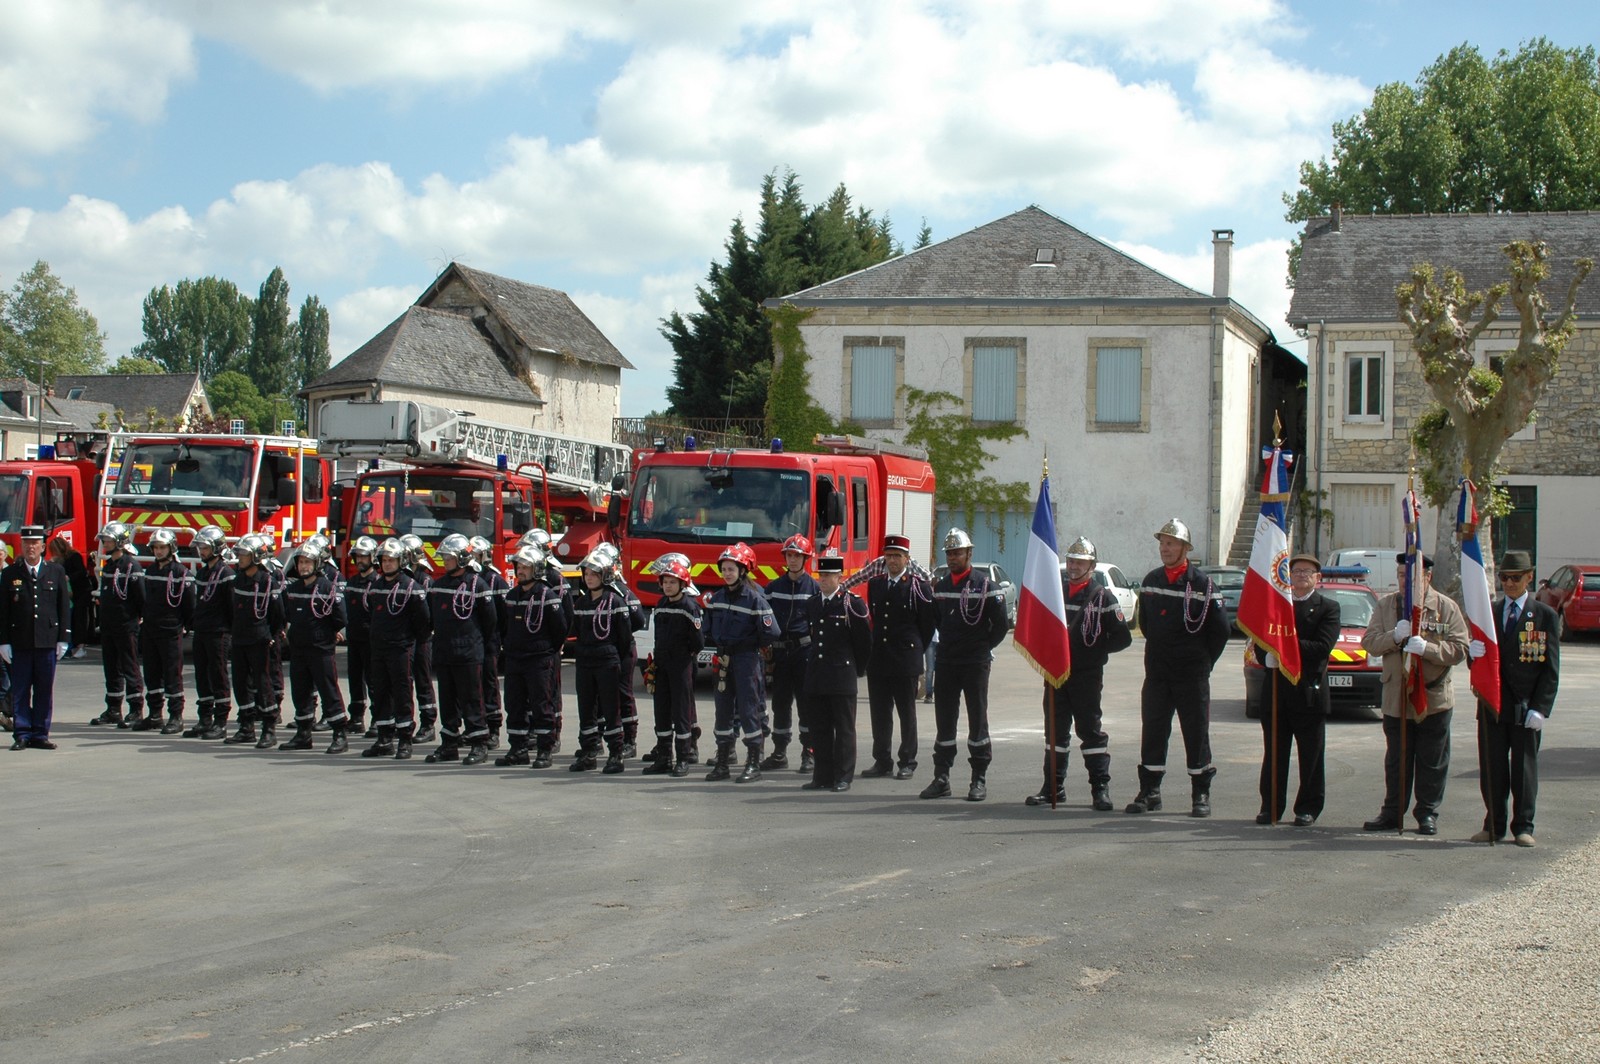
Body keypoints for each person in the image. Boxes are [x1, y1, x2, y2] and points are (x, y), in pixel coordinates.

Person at [1359, 552, 1470, 836]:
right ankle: (1392, 812)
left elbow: (1460, 649)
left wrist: (1428, 649)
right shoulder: (1386, 606)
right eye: (1400, 576)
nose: (1404, 582)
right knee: (1397, 759)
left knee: (1432, 760)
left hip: (1433, 699)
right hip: (1397, 697)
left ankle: (1427, 813)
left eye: (1411, 576)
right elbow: (1369, 643)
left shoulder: (1445, 607)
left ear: (1427, 577)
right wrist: (1394, 637)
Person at [1127, 519, 1232, 817]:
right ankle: (1150, 791)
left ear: (1185, 548)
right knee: (1154, 730)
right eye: (1162, 543)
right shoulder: (1151, 581)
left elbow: (1220, 631)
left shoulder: (1203, 585)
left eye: (1171, 544)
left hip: (1192, 673)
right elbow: (1146, 625)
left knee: (1196, 732)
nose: (1165, 548)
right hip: (1158, 672)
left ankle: (1200, 794)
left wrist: (1203, 662)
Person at [1029, 536, 1132, 811]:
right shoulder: (1055, 593)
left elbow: (1123, 638)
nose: (1074, 566)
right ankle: (1052, 787)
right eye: (1071, 561)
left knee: (1090, 731)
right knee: (1054, 734)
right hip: (1056, 675)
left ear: (1092, 565)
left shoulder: (1103, 597)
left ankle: (1100, 789)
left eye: (1080, 562)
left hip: (1086, 677)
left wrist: (1095, 653)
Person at [1472, 550, 1559, 847]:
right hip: (1494, 705)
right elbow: (1482, 663)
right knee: (1493, 768)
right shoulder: (1490, 614)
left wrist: (1541, 708)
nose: (1509, 583)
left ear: (1529, 577)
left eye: (1516, 578)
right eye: (1505, 577)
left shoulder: (1545, 616)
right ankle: (1493, 824)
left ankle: (1523, 825)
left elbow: (1550, 669)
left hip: (1526, 705)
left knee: (1523, 769)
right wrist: (1474, 658)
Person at [1250, 554, 1340, 826]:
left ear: (1317, 578)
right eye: (1296, 571)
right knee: (1275, 753)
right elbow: (1260, 639)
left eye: (1307, 572)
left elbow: (1322, 648)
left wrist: (1284, 648)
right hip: (1277, 690)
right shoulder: (1278, 605)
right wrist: (1266, 655)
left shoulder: (1328, 607)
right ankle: (1271, 806)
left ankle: (1308, 808)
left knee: (1311, 755)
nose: (1301, 576)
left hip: (1307, 692)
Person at [922, 528, 1011, 802]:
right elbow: (936, 622)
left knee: (977, 721)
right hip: (947, 662)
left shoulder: (986, 585)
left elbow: (1000, 627)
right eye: (949, 553)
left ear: (969, 554)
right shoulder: (942, 586)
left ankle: (978, 778)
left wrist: (982, 649)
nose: (952, 558)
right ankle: (941, 777)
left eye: (957, 552)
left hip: (975, 663)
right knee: (945, 721)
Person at [703, 541, 780, 782]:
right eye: (724, 569)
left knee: (749, 709)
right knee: (723, 710)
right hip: (724, 660)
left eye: (731, 569)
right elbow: (707, 628)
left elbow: (772, 632)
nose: (727, 573)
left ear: (743, 570)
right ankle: (723, 763)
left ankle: (753, 763)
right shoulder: (716, 598)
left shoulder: (755, 599)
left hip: (747, 660)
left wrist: (751, 645)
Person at [862, 533, 936, 781]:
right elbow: (874, 620)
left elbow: (926, 627)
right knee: (880, 714)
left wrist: (913, 650)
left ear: (907, 559)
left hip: (905, 659)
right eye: (889, 555)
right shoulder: (876, 584)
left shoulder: (918, 587)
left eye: (897, 556)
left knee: (907, 714)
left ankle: (908, 760)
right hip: (879, 659)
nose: (892, 560)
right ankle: (882, 760)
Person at [802, 550, 873, 791]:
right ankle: (822, 775)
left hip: (841, 675)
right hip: (817, 674)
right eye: (821, 574)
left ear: (839, 577)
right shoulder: (812, 603)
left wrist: (856, 669)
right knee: (819, 728)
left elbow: (864, 642)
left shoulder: (851, 603)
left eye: (829, 575)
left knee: (843, 729)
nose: (823, 579)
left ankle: (843, 776)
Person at [423, 533, 497, 766]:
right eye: (444, 557)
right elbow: (432, 618)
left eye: (450, 557)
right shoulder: (439, 585)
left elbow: (490, 621)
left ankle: (479, 743)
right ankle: (449, 745)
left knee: (472, 700)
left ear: (463, 558)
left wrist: (478, 647)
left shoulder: (478, 584)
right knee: (448, 701)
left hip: (469, 653)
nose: (445, 561)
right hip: (445, 653)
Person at [496, 543, 570, 769]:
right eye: (519, 566)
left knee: (541, 705)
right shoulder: (512, 595)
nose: (521, 570)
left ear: (537, 568)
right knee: (514, 704)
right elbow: (503, 625)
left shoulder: (547, 595)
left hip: (539, 659)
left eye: (526, 566)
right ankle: (517, 749)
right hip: (515, 659)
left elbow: (560, 629)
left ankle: (544, 750)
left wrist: (546, 651)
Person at [361, 538, 433, 760]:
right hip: (379, 648)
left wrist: (409, 641)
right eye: (383, 560)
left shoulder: (412, 588)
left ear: (401, 561)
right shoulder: (376, 586)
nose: (387, 564)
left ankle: (404, 740)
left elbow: (423, 622)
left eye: (391, 560)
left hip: (401, 649)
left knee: (402, 693)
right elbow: (370, 613)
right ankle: (384, 739)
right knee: (380, 693)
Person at [1, 525, 70, 750]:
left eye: (35, 543)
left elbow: (63, 606)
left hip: (47, 640)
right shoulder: (11, 573)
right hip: (20, 640)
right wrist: (3, 641)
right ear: (21, 546)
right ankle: (22, 732)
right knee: (20, 689)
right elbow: (3, 610)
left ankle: (40, 733)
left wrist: (63, 638)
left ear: (42, 547)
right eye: (27, 543)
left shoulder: (55, 572)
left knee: (43, 689)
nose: (31, 547)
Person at [277, 541, 350, 754]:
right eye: (300, 562)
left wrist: (324, 635)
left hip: (321, 649)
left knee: (329, 691)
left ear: (317, 563)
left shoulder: (327, 588)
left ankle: (339, 734)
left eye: (307, 562)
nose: (303, 566)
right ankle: (303, 734)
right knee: (300, 692)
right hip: (298, 649)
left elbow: (340, 618)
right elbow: (287, 614)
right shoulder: (293, 588)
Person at [569, 546, 635, 774]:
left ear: (605, 575)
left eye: (594, 574)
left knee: (611, 709)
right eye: (586, 574)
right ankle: (588, 753)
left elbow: (624, 638)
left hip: (607, 662)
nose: (589, 578)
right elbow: (576, 630)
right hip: (585, 663)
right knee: (586, 709)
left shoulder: (616, 602)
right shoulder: (581, 603)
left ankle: (616, 754)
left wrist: (613, 658)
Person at [762, 534, 820, 771]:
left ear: (805, 558)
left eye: (797, 556)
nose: (793, 560)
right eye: (789, 555)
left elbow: (819, 623)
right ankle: (779, 752)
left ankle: (809, 752)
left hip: (804, 652)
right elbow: (764, 621)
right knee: (780, 703)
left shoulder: (814, 588)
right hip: (780, 654)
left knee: (807, 704)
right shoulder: (773, 588)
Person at [642, 554, 703, 777]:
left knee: (681, 713)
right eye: (665, 582)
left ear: (683, 584)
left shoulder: (690, 608)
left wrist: (684, 657)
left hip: (681, 665)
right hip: (662, 665)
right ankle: (664, 758)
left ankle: (683, 759)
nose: (668, 586)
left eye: (672, 582)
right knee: (662, 712)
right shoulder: (661, 605)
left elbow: (698, 641)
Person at [225, 534, 285, 749]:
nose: (240, 558)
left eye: (244, 554)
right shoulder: (238, 579)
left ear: (256, 557)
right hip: (240, 638)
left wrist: (270, 635)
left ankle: (269, 728)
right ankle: (246, 726)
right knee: (241, 683)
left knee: (263, 682)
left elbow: (278, 614)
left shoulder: (268, 581)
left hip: (259, 640)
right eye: (239, 553)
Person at [137, 528, 195, 734]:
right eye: (156, 548)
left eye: (162, 547)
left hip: (170, 630)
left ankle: (176, 716)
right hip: (150, 630)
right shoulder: (150, 571)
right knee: (152, 673)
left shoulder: (180, 573)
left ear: (171, 548)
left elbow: (189, 604)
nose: (158, 551)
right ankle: (155, 715)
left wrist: (185, 625)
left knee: (172, 674)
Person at [90, 522, 145, 728]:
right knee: (111, 667)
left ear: (120, 542)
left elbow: (140, 597)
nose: (105, 544)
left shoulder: (132, 566)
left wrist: (136, 618)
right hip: (109, 625)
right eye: (104, 540)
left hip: (126, 624)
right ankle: (113, 708)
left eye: (109, 540)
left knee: (129, 666)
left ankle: (136, 708)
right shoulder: (110, 565)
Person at [187, 525, 234, 740]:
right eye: (199, 547)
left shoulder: (226, 574)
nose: (201, 551)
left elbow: (231, 606)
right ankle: (204, 718)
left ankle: (221, 721)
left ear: (216, 547)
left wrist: (228, 631)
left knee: (218, 675)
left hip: (219, 632)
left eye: (205, 547)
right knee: (202, 675)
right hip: (202, 631)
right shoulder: (203, 572)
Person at [469, 535, 509, 751]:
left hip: (489, 641)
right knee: (471, 686)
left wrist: (499, 640)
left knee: (489, 684)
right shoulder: (467, 579)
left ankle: (493, 729)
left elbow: (503, 616)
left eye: (474, 554)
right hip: (471, 642)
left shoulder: (495, 580)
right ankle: (475, 726)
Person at [342, 536, 379, 737]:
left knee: (373, 680)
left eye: (364, 556)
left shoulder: (378, 582)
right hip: (354, 638)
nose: (359, 560)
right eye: (357, 556)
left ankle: (377, 718)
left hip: (371, 639)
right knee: (355, 679)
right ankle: (356, 718)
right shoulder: (353, 581)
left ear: (372, 558)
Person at [48, 537, 91, 658]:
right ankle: (74, 646)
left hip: (81, 591)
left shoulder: (74, 556)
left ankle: (80, 646)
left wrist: (69, 577)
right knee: (72, 620)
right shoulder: (60, 559)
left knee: (79, 619)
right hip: (70, 592)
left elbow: (82, 572)